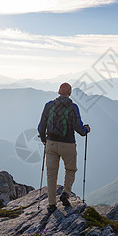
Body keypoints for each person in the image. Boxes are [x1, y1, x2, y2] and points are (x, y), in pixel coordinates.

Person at [38, 82, 90, 212]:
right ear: (70, 93)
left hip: (51, 143)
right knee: (70, 169)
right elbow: (79, 128)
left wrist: (44, 140)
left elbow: (41, 127)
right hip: (68, 144)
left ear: (58, 91)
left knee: (51, 174)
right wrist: (86, 130)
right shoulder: (73, 107)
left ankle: (51, 204)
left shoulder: (49, 106)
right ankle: (65, 193)